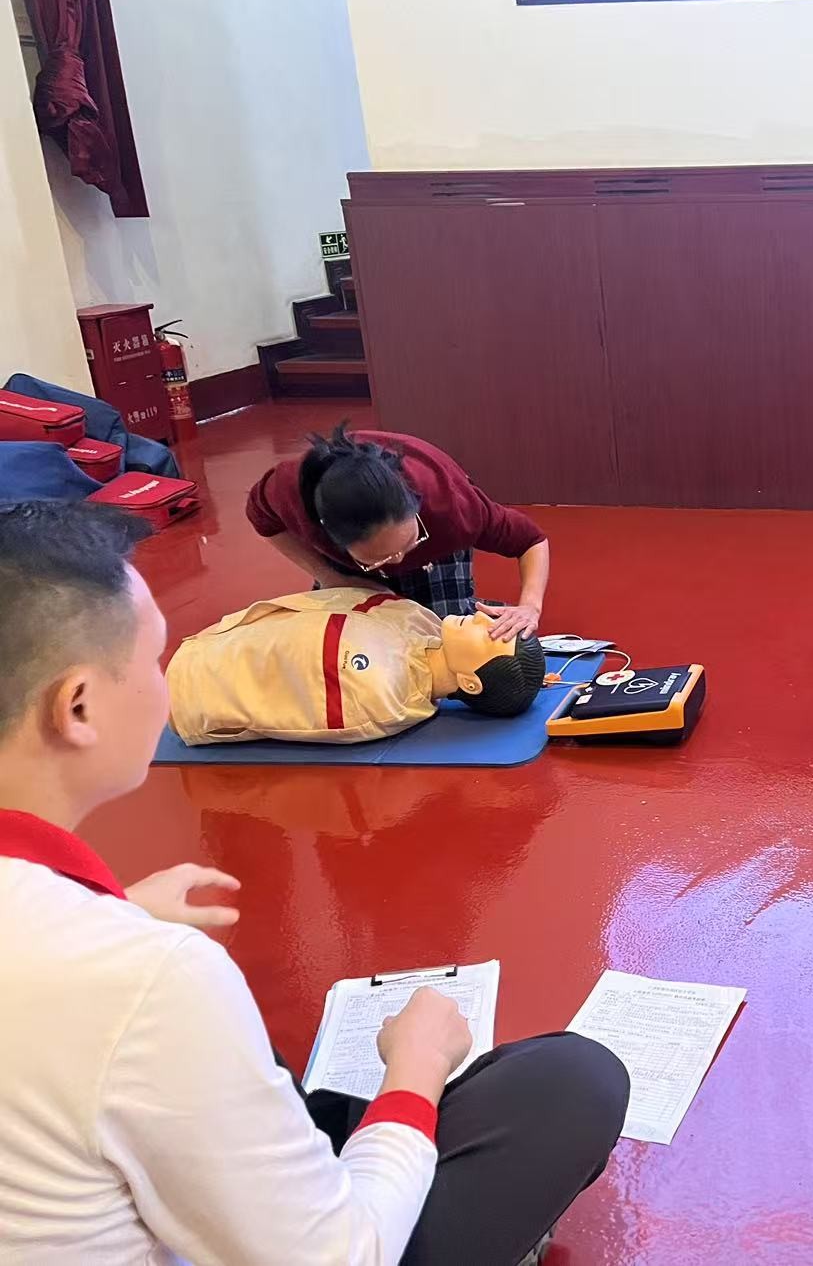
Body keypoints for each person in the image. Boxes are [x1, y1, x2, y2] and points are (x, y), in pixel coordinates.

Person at [0, 501, 628, 1265]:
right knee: (575, 1081)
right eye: (151, 659)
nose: (164, 687)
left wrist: (116, 912)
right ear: (77, 707)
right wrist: (416, 1069)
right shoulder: (151, 980)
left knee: (291, 1093)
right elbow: (339, 1257)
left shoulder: (73, 938)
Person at [247, 423, 549, 641]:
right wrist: (330, 576)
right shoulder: (290, 491)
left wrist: (530, 607)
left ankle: (474, 610)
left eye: (407, 543)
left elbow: (531, 540)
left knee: (440, 639)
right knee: (342, 645)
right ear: (329, 535)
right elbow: (262, 520)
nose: (398, 560)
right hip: (359, 548)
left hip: (435, 544)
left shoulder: (450, 506)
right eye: (378, 559)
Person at [167, 591, 547, 744]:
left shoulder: (382, 700)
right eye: (493, 622)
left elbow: (275, 709)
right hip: (211, 638)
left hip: (188, 687)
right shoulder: (419, 619)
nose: (480, 619)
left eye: (490, 636)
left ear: (471, 683)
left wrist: (189, 702)